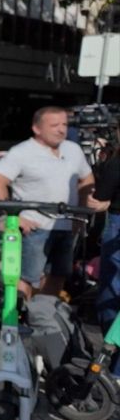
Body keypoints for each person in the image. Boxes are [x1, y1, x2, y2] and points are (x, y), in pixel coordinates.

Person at [0, 106, 95, 300]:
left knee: (58, 275)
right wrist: (14, 216)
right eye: (54, 125)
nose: (61, 130)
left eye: (64, 124)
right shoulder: (21, 152)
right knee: (26, 278)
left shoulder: (73, 149)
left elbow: (87, 180)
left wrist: (80, 213)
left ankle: (46, 319)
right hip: (34, 227)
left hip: (65, 227)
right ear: (37, 129)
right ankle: (20, 319)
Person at [89, 125, 119, 376]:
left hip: (118, 226)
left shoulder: (115, 162)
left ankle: (115, 366)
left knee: (111, 294)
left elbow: (100, 200)